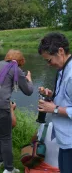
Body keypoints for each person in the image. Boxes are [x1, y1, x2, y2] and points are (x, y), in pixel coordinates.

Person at [38, 32, 72, 173]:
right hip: (64, 139)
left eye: (49, 60)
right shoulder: (62, 69)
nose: (48, 65)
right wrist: (52, 95)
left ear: (60, 51)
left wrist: (55, 109)